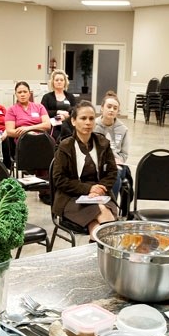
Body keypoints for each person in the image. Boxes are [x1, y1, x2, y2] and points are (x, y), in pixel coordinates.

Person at [51, 101, 118, 239]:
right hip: (70, 198)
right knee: (101, 210)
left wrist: (99, 189)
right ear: (73, 121)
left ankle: (96, 255)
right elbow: (59, 179)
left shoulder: (103, 143)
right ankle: (112, 250)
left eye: (91, 118)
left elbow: (112, 172)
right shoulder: (65, 146)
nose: (88, 122)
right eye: (83, 118)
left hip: (100, 194)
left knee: (97, 221)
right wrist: (89, 189)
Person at [7, 81, 52, 202]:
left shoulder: (39, 107)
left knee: (47, 143)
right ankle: (43, 188)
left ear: (29, 93)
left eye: (25, 92)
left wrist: (29, 128)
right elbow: (10, 131)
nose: (22, 94)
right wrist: (25, 133)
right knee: (36, 144)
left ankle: (47, 188)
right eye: (19, 92)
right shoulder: (12, 110)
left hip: (41, 140)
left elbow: (47, 124)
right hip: (24, 142)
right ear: (16, 94)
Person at [94, 91, 130, 165]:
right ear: (102, 108)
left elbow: (124, 154)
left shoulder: (123, 129)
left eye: (115, 108)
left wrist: (118, 161)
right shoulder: (92, 126)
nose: (112, 110)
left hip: (115, 164)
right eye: (109, 107)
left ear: (118, 111)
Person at [41, 70, 77, 142]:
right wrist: (58, 112)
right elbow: (43, 112)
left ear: (65, 82)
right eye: (56, 80)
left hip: (68, 126)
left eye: (61, 80)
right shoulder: (47, 97)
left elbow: (76, 111)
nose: (59, 82)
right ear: (53, 82)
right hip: (52, 126)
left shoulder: (71, 96)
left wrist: (67, 116)